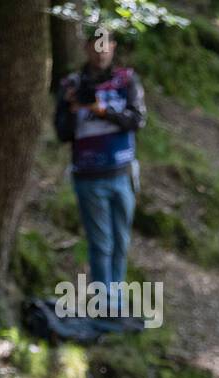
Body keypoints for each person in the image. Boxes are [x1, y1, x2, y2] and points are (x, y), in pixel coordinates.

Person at [53, 28, 147, 316]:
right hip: (89, 177)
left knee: (121, 242)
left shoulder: (126, 81)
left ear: (114, 47)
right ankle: (103, 307)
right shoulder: (71, 83)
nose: (101, 51)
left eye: (106, 46)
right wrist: (71, 107)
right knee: (101, 244)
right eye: (96, 46)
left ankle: (115, 304)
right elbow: (62, 133)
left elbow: (137, 119)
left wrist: (103, 110)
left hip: (122, 174)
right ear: (86, 48)